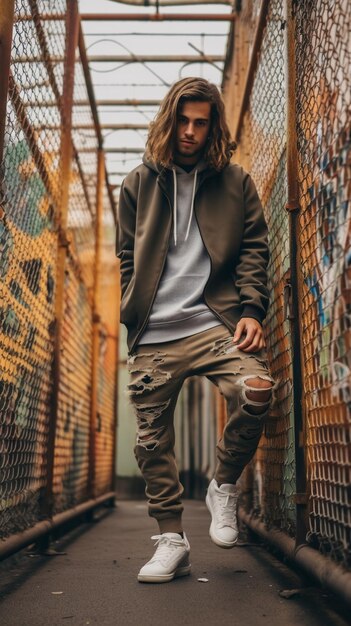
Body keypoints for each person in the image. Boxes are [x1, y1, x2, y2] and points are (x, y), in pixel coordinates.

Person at [116, 76, 277, 583]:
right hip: (156, 329)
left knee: (256, 390)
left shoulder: (236, 183)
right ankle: (172, 539)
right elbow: (127, 254)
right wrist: (131, 305)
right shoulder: (138, 182)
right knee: (150, 440)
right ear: (170, 119)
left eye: (200, 123)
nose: (190, 131)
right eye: (183, 120)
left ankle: (223, 484)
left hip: (217, 321)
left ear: (212, 128)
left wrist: (251, 309)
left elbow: (254, 249)